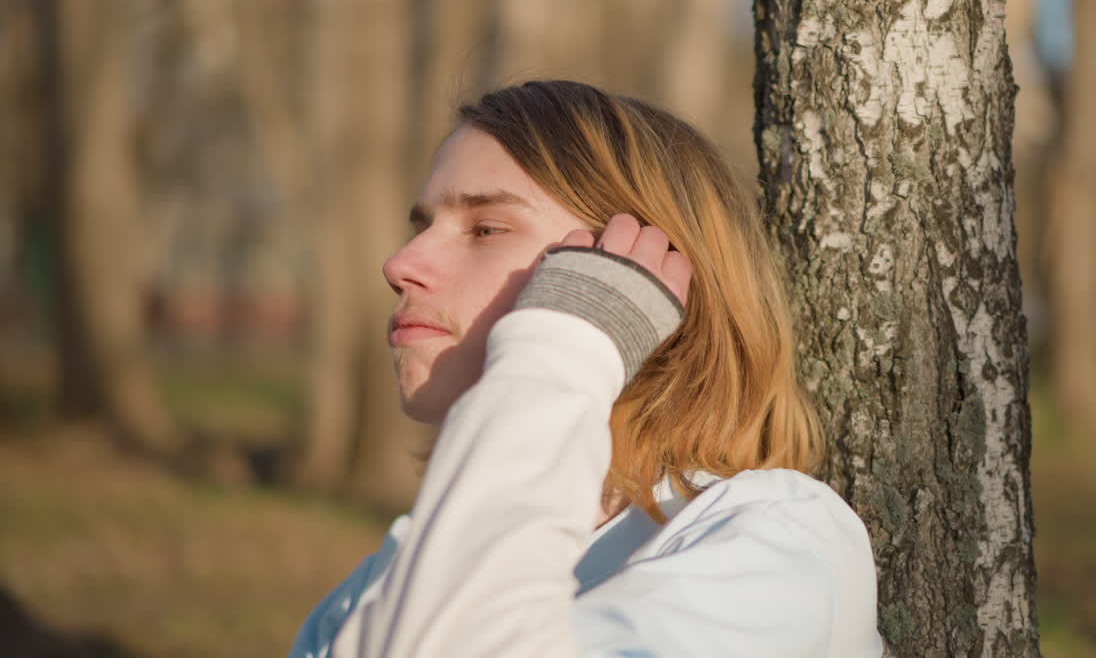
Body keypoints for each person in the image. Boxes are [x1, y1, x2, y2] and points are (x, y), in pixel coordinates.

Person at [288, 80, 882, 657]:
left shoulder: (774, 546)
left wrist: (564, 345)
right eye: (421, 227)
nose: (399, 264)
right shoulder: (376, 585)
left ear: (643, 270)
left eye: (485, 229)